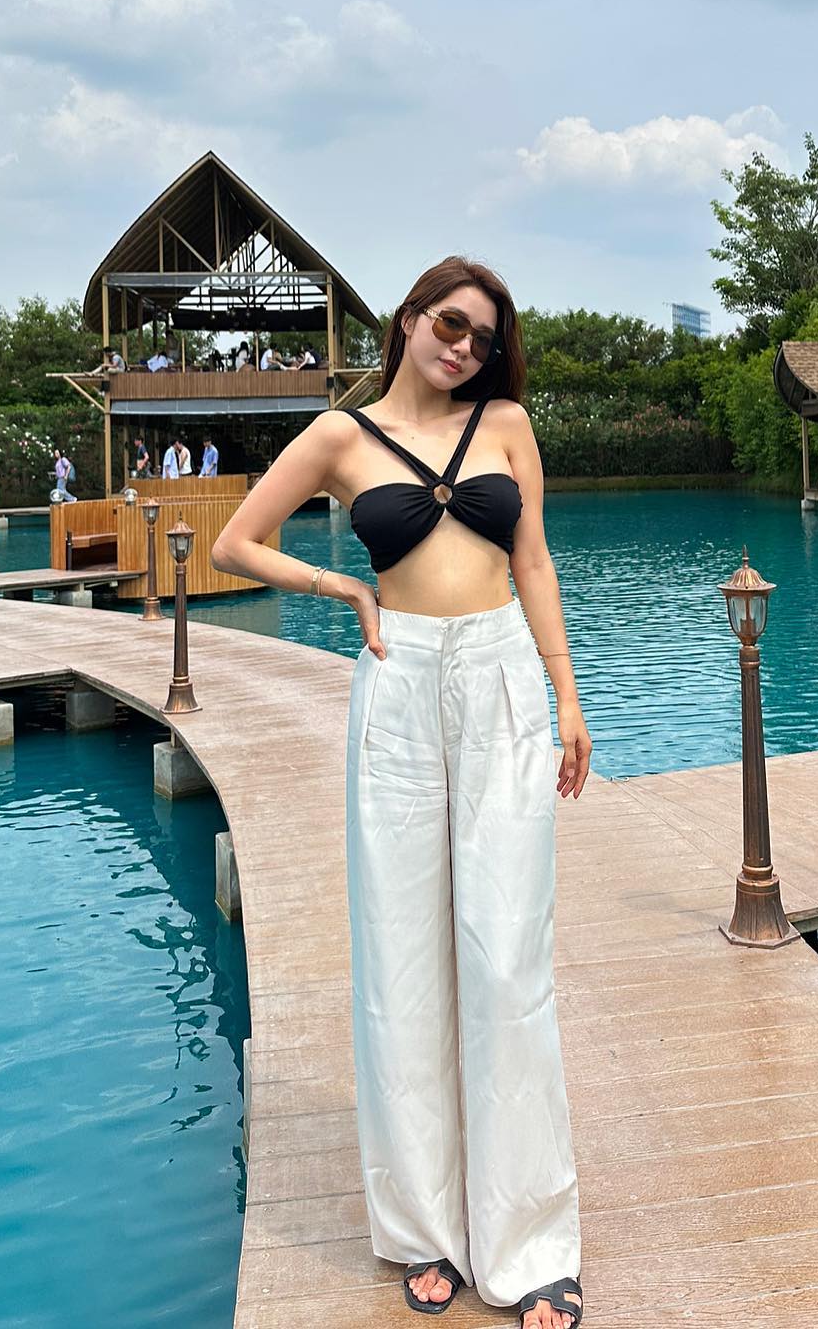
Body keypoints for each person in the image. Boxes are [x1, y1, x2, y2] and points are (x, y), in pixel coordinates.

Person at [211, 257, 585, 1329]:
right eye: (451, 325)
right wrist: (339, 585)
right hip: (400, 681)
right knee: (404, 959)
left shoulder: (507, 424)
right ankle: (423, 1227)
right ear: (411, 318)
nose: (465, 347)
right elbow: (237, 543)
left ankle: (527, 1241)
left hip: (504, 675)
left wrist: (567, 695)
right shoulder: (340, 436)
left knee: (507, 954)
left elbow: (535, 563)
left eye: (484, 338)